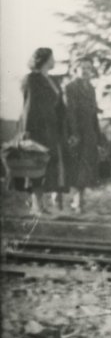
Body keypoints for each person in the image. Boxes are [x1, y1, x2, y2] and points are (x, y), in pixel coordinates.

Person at [16, 47, 67, 214]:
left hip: (51, 129)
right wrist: (27, 132)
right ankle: (38, 205)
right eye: (52, 58)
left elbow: (59, 106)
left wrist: (62, 128)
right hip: (36, 129)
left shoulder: (52, 80)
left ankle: (41, 204)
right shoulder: (32, 79)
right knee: (36, 166)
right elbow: (28, 108)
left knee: (50, 166)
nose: (54, 61)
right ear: (44, 59)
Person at [63, 60, 106, 213]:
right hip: (75, 133)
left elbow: (93, 115)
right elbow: (71, 112)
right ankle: (68, 200)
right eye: (83, 68)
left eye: (89, 68)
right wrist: (74, 134)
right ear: (76, 70)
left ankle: (79, 201)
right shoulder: (71, 87)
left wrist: (98, 138)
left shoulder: (91, 89)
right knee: (74, 168)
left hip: (89, 134)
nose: (86, 71)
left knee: (86, 169)